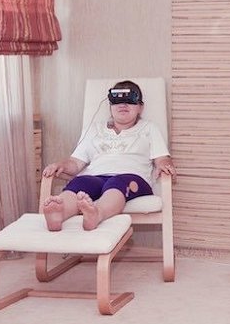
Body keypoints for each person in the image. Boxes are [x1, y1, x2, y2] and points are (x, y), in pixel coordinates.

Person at [42, 80, 176, 231]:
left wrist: (164, 164)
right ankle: (58, 214)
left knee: (117, 182)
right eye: (117, 100)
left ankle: (97, 213)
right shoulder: (94, 129)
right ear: (110, 106)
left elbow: (162, 158)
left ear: (140, 107)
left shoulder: (149, 128)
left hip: (132, 179)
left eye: (130, 100)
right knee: (81, 182)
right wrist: (60, 165)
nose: (123, 105)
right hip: (96, 177)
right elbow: (75, 162)